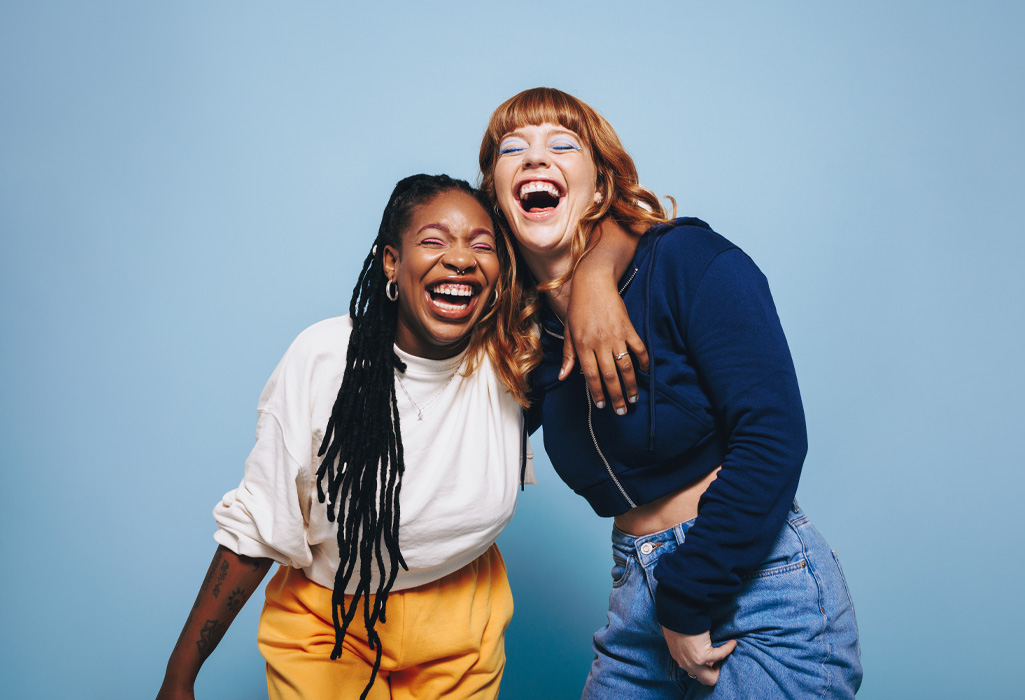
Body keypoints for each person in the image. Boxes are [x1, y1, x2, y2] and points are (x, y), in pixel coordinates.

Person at [478, 88, 863, 698]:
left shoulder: (688, 261)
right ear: (495, 198)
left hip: (754, 591)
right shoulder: (527, 339)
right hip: (636, 597)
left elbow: (773, 436)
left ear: (600, 188)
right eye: (512, 149)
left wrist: (688, 597)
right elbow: (457, 440)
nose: (533, 158)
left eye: (561, 144)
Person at [156, 174, 541, 700]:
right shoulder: (323, 359)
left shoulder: (512, 355)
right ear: (390, 261)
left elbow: (590, 260)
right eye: (433, 240)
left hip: (463, 620)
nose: (461, 259)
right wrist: (181, 673)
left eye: (482, 245)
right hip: (329, 624)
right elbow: (260, 523)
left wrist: (594, 291)